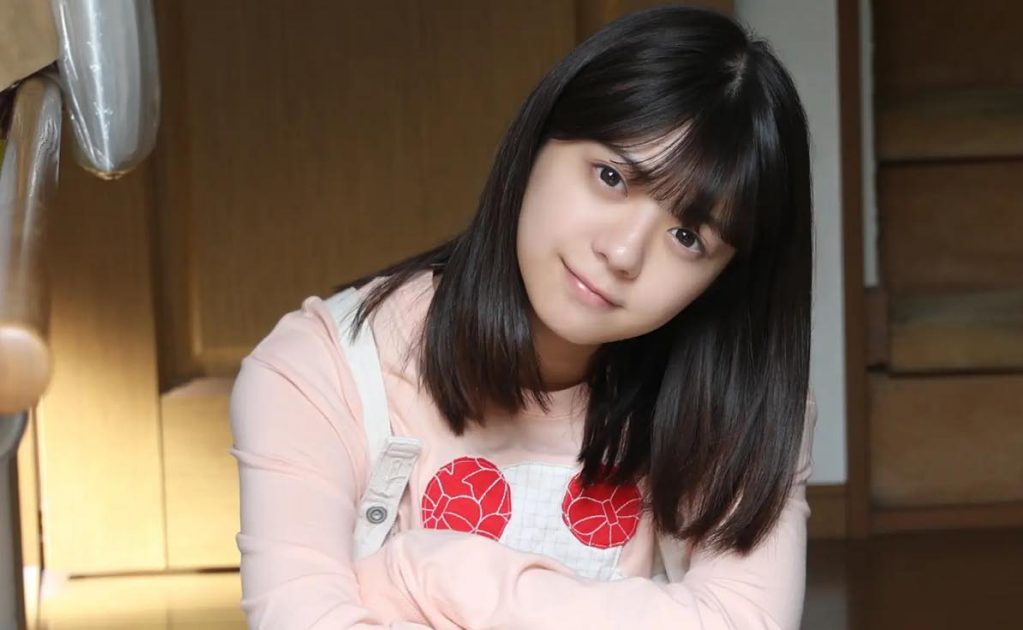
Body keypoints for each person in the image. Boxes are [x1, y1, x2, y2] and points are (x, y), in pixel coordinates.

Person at [231, 5, 818, 629]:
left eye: (687, 237)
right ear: (538, 140)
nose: (622, 253)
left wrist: (423, 574)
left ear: (724, 278)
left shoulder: (743, 403)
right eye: (611, 177)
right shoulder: (318, 370)